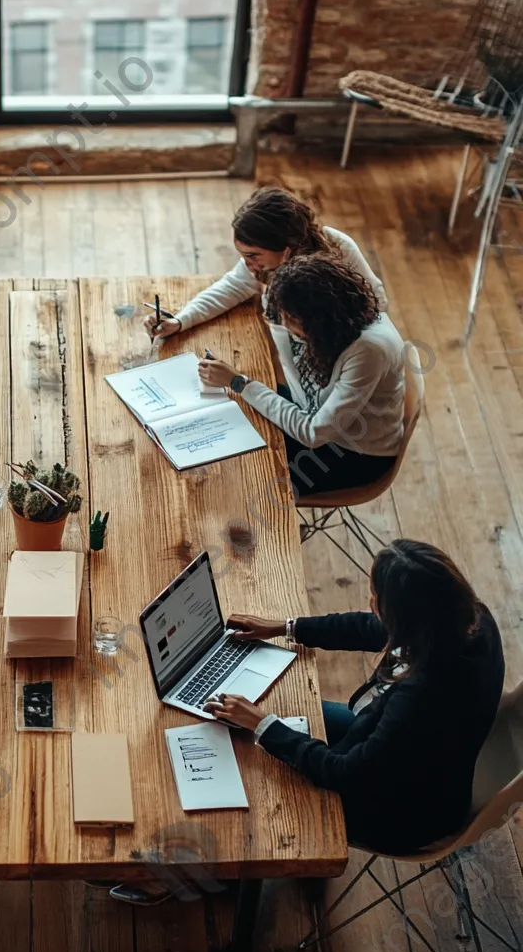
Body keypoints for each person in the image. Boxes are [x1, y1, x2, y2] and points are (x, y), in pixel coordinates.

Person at [206, 540, 504, 856]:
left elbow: (344, 773)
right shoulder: (470, 621)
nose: (370, 602)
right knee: (273, 715)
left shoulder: (420, 697)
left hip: (401, 813)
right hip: (418, 759)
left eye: (376, 598)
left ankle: (237, 872)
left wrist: (263, 724)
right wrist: (286, 627)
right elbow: (371, 627)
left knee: (255, 770)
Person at [198, 254, 406, 497]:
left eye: (292, 319)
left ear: (321, 317)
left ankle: (278, 531)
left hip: (351, 454)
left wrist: (238, 383)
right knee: (233, 424)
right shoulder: (339, 324)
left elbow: (313, 433)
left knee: (242, 477)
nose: (285, 325)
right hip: (315, 414)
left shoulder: (368, 351)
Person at [144, 185, 387, 342]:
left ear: (286, 248)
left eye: (252, 255)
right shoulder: (267, 265)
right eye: (242, 255)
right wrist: (180, 321)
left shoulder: (338, 248)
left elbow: (378, 302)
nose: (247, 265)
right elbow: (231, 287)